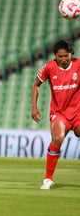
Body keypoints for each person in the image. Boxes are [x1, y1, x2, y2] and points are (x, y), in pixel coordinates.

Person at [31, 39, 80, 189]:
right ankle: (48, 178)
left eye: (66, 56)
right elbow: (36, 84)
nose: (64, 59)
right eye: (60, 56)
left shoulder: (78, 65)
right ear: (55, 56)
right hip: (59, 113)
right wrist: (34, 106)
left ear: (71, 54)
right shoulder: (49, 67)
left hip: (78, 112)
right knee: (58, 137)